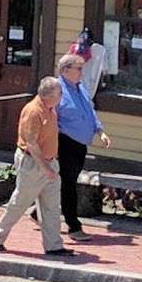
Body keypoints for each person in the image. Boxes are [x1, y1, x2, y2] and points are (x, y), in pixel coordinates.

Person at [0, 77, 73, 256]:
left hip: (50, 163)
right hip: (33, 163)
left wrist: (51, 166)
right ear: (49, 95)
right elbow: (32, 144)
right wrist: (45, 168)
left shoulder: (50, 109)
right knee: (20, 202)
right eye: (59, 93)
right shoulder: (33, 111)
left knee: (52, 206)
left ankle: (53, 245)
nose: (61, 96)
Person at [56, 53, 111, 241]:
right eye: (78, 69)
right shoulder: (56, 90)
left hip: (80, 144)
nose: (82, 72)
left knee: (64, 183)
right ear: (65, 71)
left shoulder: (81, 88)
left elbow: (89, 111)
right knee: (69, 184)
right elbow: (49, 119)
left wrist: (100, 131)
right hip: (64, 143)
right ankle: (74, 227)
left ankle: (37, 213)